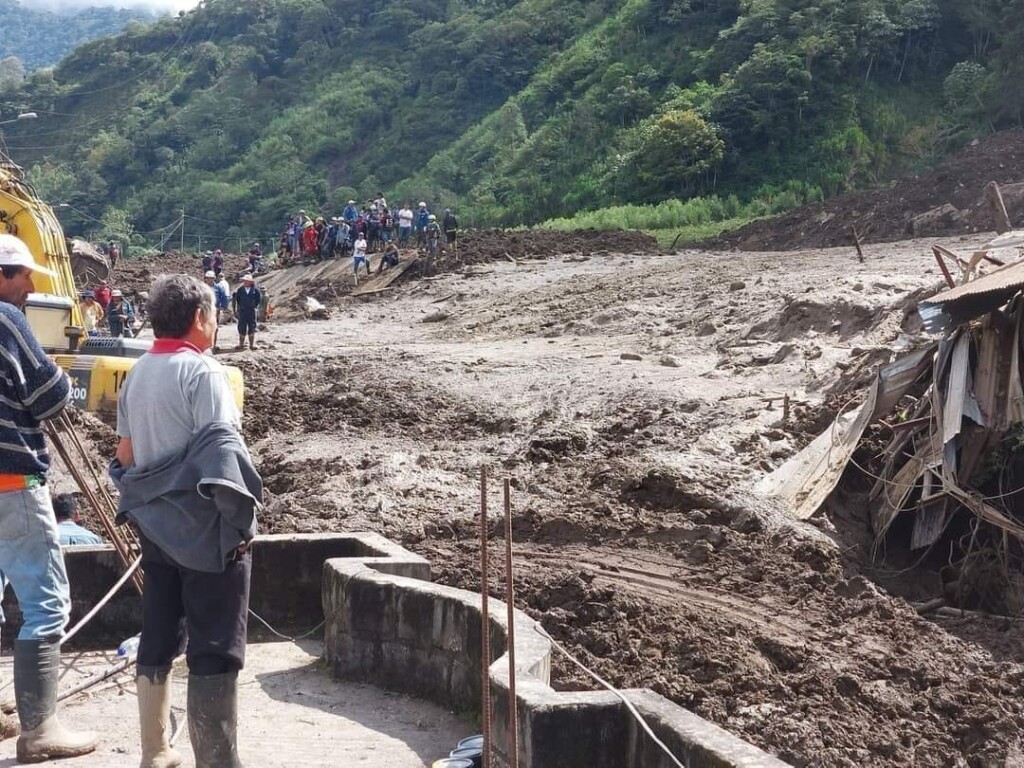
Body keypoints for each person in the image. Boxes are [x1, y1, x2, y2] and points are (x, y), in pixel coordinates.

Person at [109, 273, 260, 768]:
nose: (217, 325)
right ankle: (217, 761)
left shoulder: (136, 376)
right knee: (214, 646)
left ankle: (156, 753)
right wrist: (238, 530)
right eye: (215, 315)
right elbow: (223, 459)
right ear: (199, 318)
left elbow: (127, 457)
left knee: (158, 634)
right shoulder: (205, 373)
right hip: (206, 536)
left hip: (156, 533)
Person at [0, 234, 98, 762]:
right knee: (45, 605)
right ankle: (40, 730)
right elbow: (51, 395)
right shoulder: (7, 321)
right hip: (11, 485)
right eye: (22, 277)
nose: (31, 287)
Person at [233, 274, 261, 351]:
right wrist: (239, 308)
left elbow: (258, 299)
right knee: (242, 326)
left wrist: (254, 306)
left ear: (250, 282)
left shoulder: (255, 290)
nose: (245, 282)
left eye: (247, 281)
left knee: (252, 326)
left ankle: (251, 345)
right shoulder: (240, 290)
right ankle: (241, 344)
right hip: (242, 311)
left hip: (251, 311)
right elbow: (237, 300)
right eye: (244, 281)